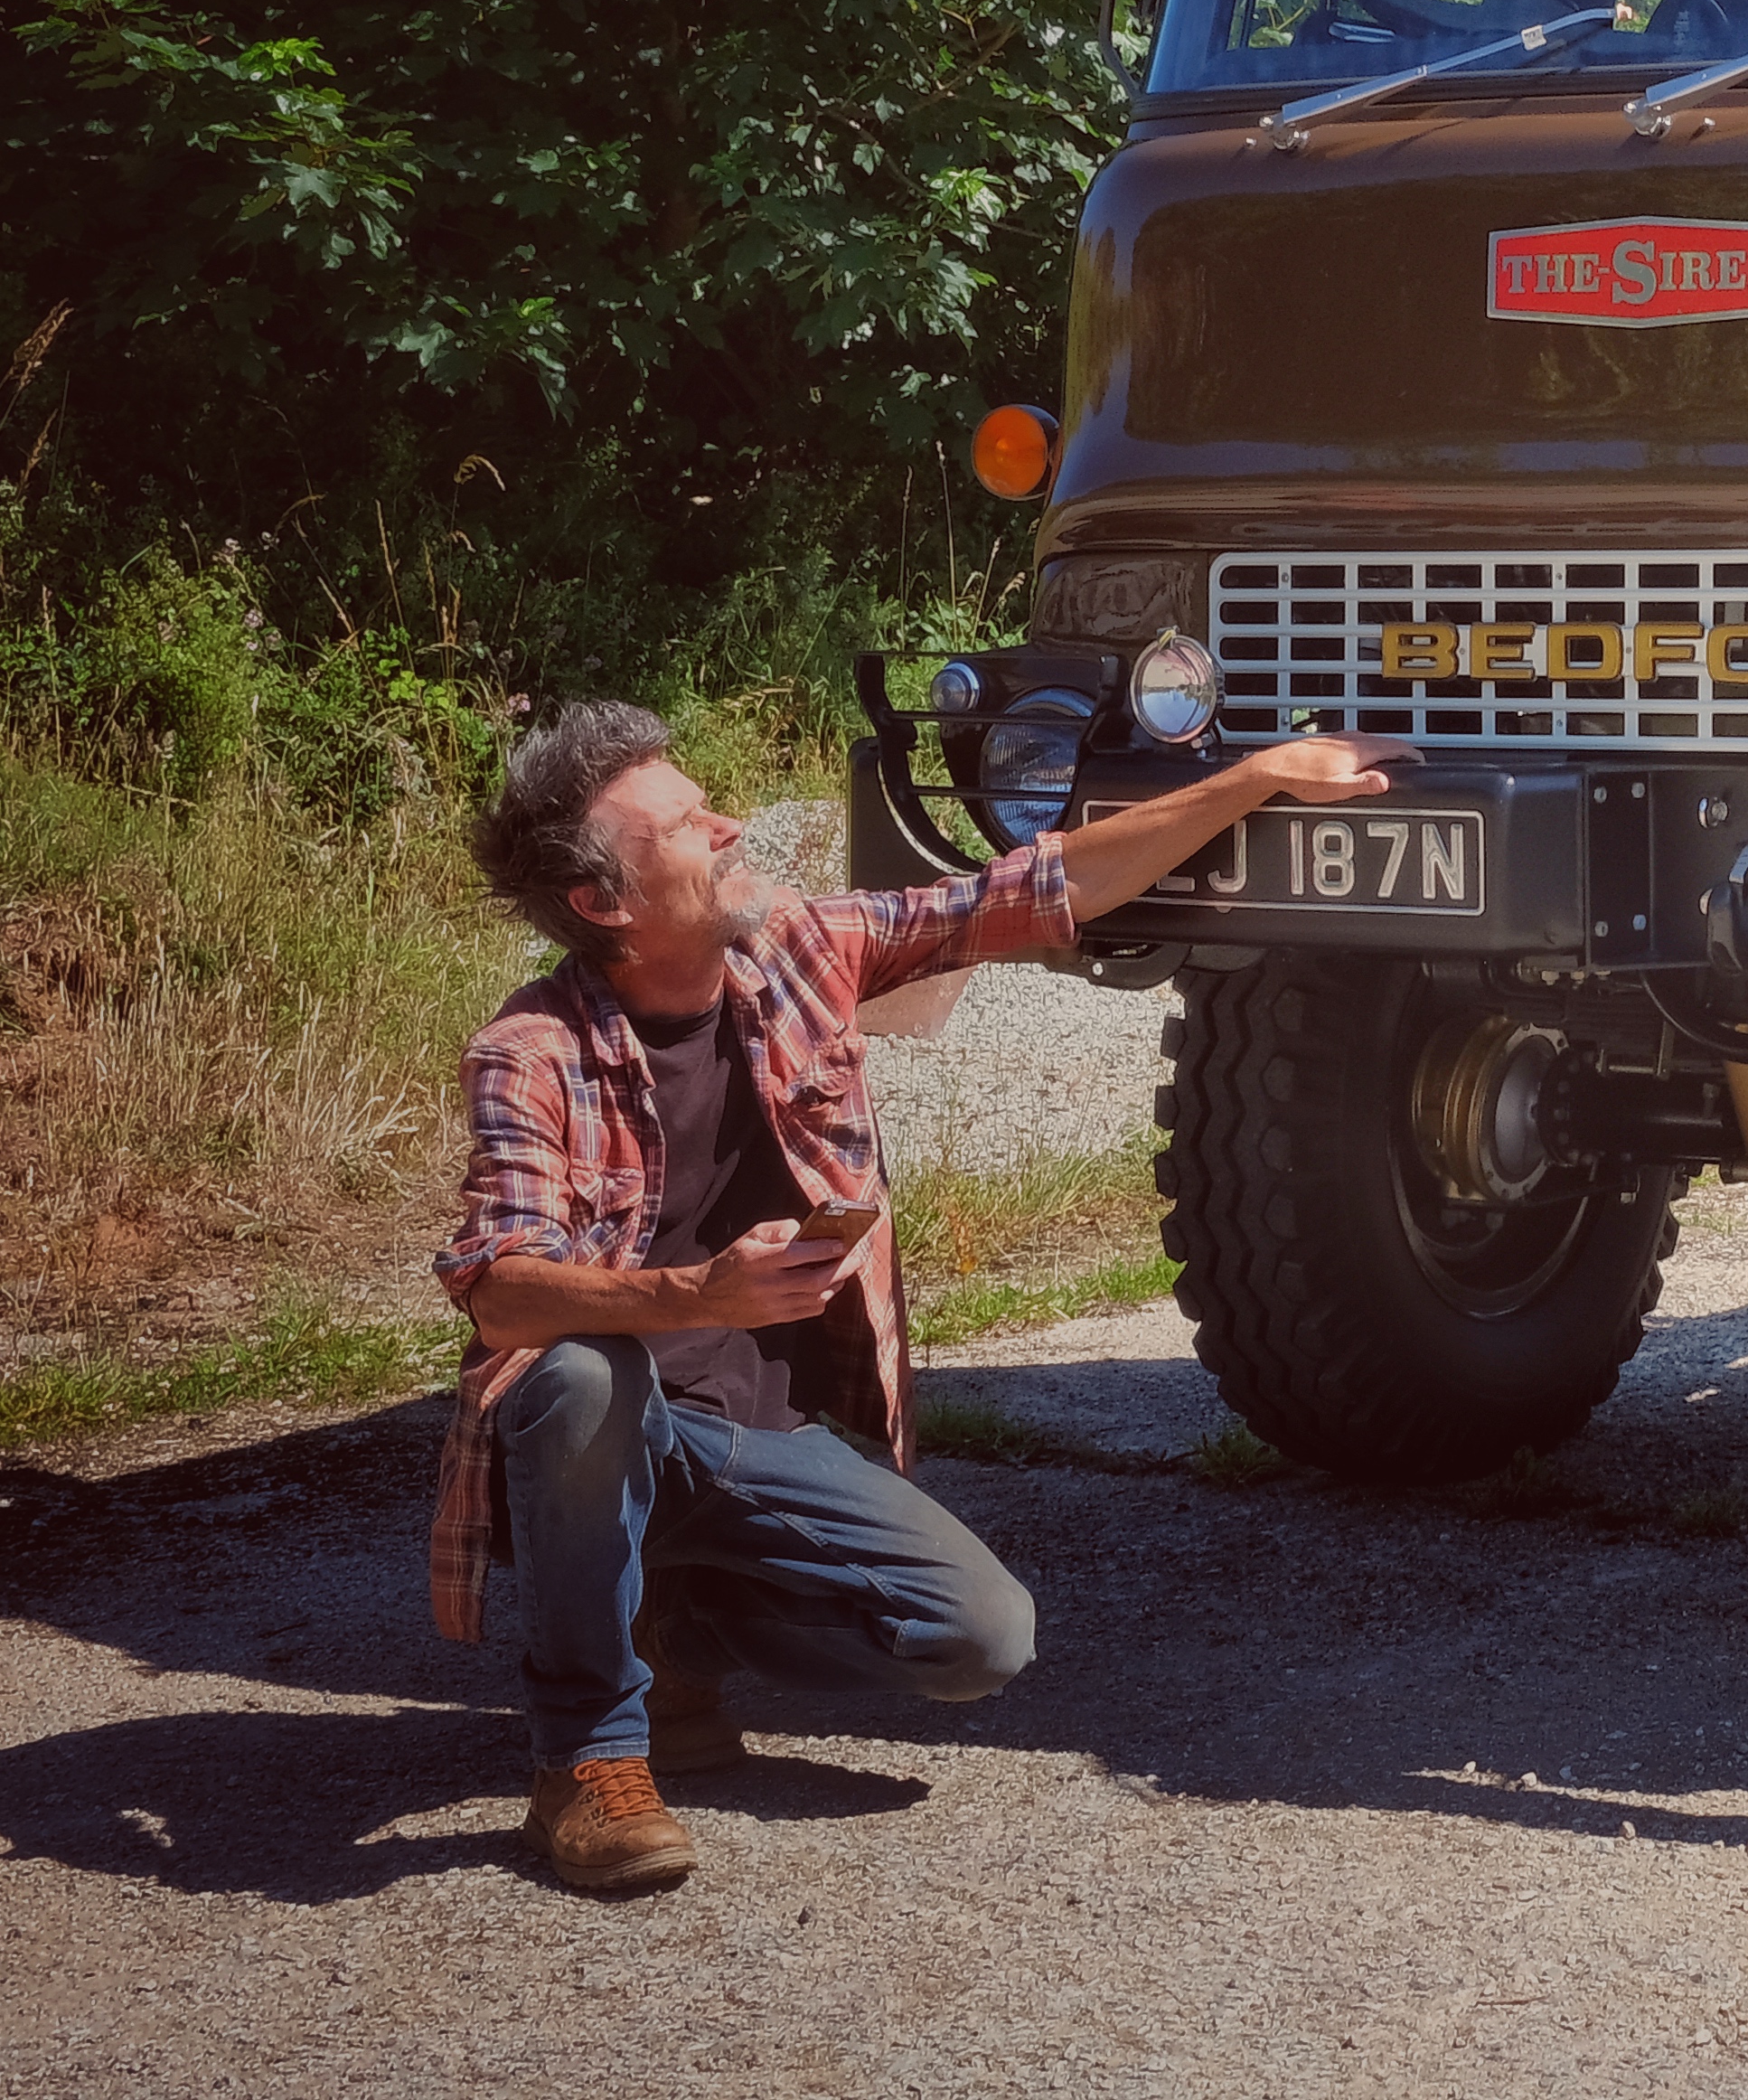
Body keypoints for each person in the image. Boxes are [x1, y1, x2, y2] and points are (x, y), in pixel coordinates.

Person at [429, 697, 1399, 1890]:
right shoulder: (530, 1049)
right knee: (578, 1371)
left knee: (980, 1639)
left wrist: (1257, 777)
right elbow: (500, 1298)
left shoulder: (792, 952)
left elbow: (1032, 892)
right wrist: (699, 1291)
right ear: (605, 904)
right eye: (686, 825)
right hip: (607, 1429)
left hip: (753, 1439)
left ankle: (667, 1634)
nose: (730, 826)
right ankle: (586, 1758)